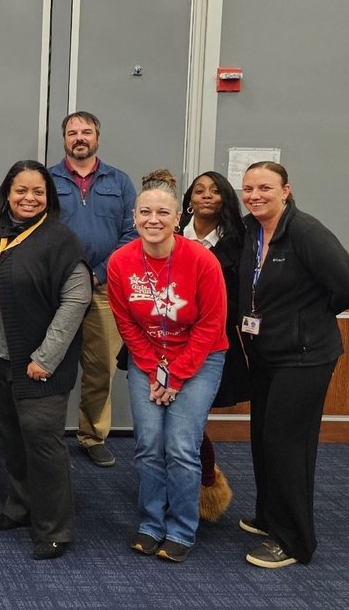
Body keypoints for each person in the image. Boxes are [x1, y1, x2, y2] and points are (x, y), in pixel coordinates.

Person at [0, 160, 90, 561]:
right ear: (7, 193)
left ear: (49, 197)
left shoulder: (60, 238)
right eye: (21, 190)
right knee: (15, 439)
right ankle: (21, 507)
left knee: (43, 442)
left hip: (40, 364)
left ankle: (54, 527)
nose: (29, 198)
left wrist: (46, 357)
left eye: (38, 191)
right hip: (0, 356)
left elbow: (77, 300)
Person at [107, 169, 227, 563]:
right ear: (134, 217)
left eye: (162, 212)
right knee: (147, 445)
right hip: (149, 357)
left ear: (179, 218)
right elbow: (126, 321)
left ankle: (180, 529)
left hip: (201, 356)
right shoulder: (121, 262)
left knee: (179, 446)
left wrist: (175, 375)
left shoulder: (202, 260)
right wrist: (152, 367)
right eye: (145, 212)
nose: (152, 219)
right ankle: (150, 524)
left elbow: (211, 324)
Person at [236, 161, 349, 569]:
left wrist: (309, 318)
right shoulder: (251, 230)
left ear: (286, 190)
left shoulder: (306, 232)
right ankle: (270, 516)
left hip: (305, 358)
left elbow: (344, 285)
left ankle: (294, 539)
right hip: (266, 355)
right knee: (264, 439)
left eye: (265, 187)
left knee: (288, 445)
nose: (255, 195)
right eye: (248, 188)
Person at [49, 111, 137, 467]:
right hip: (57, 291)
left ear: (97, 137)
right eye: (73, 132)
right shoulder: (48, 179)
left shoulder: (120, 181)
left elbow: (133, 233)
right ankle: (48, 433)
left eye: (86, 132)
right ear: (65, 139)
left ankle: (92, 435)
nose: (80, 137)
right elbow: (38, 229)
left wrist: (98, 273)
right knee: (51, 361)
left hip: (104, 289)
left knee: (100, 368)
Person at [178, 171, 249, 521]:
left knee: (191, 421)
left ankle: (206, 486)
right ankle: (175, 488)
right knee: (165, 423)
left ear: (225, 199)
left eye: (215, 191)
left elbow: (243, 298)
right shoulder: (172, 233)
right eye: (199, 190)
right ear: (189, 198)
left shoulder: (241, 241)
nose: (206, 196)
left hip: (214, 343)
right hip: (167, 341)